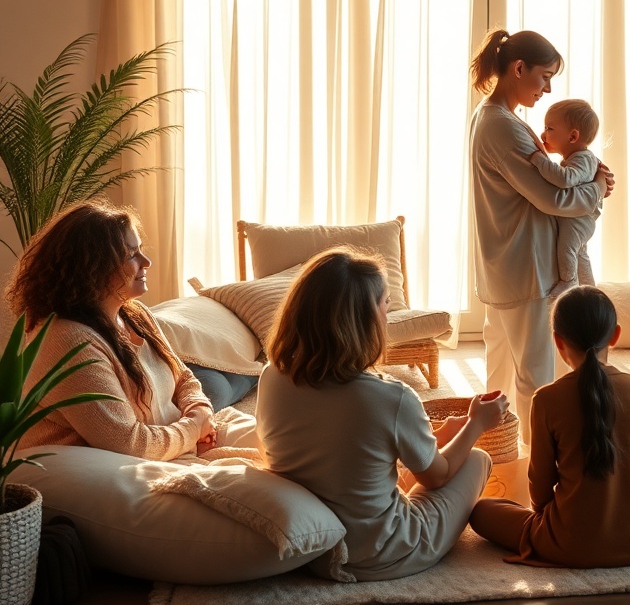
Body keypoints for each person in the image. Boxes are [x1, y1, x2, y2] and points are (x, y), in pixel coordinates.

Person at [256, 247, 509, 581]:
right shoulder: (392, 397)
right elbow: (436, 477)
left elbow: (336, 453)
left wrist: (438, 436)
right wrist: (477, 422)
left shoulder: (272, 376)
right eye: (386, 303)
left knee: (395, 465)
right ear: (364, 319)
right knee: (476, 459)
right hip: (381, 554)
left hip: (313, 550)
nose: (389, 315)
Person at [469, 286, 630, 566]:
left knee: (481, 510)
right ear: (616, 335)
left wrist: (551, 520)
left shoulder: (546, 398)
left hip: (565, 545)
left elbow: (541, 487)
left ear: (558, 342)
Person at [469, 28, 612, 445]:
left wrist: (590, 182)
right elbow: (553, 199)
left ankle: (494, 455)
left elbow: (554, 184)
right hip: (525, 267)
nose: (548, 89)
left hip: (505, 264)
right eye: (545, 76)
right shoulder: (504, 126)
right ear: (518, 69)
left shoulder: (492, 116)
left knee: (500, 373)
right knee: (536, 379)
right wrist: (597, 188)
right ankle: (538, 473)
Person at [8, 200, 234, 460]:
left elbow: (183, 377)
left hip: (174, 446)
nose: (146, 262)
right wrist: (195, 428)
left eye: (141, 250)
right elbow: (131, 444)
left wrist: (199, 410)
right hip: (111, 473)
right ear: (91, 267)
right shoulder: (67, 340)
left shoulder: (134, 313)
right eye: (131, 255)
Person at [529, 98, 602, 298]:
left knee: (567, 248)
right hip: (579, 219)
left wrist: (540, 160)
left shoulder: (582, 159)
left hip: (579, 220)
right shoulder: (578, 158)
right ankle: (590, 290)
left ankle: (568, 281)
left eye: (549, 128)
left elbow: (565, 180)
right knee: (580, 255)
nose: (543, 134)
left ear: (572, 136)